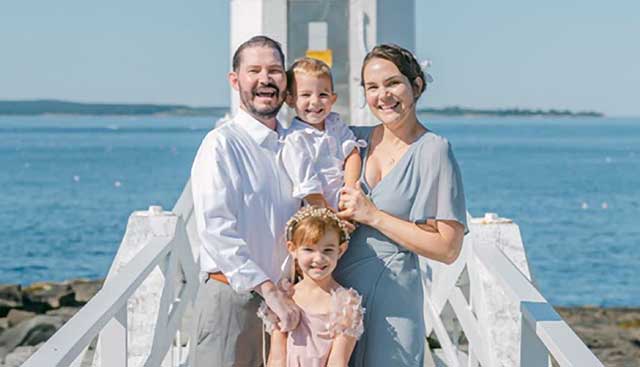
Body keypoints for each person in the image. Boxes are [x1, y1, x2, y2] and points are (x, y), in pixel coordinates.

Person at [335, 44, 468, 366]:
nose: (384, 95)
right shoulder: (351, 138)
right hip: (336, 300)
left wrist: (373, 216)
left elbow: (448, 249)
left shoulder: (433, 150)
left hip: (394, 303)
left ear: (416, 86)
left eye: (393, 83)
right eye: (372, 87)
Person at [189, 35, 301, 367]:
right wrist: (267, 289)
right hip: (234, 302)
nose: (265, 80)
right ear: (235, 80)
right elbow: (216, 229)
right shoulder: (221, 144)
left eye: (275, 71)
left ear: (286, 81)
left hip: (288, 306)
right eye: (254, 70)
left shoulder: (294, 146)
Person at [258, 206, 365, 367]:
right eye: (308, 249)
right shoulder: (285, 297)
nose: (318, 258)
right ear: (292, 249)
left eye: (327, 250)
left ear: (340, 250)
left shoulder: (345, 303)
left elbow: (338, 362)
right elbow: (277, 358)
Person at [281, 57, 365, 210]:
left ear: (333, 99)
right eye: (306, 95)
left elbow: (352, 153)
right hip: (317, 214)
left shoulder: (336, 124)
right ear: (290, 100)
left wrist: (349, 192)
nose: (315, 101)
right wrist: (333, 218)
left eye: (323, 95)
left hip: (346, 204)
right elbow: (309, 188)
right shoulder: (295, 138)